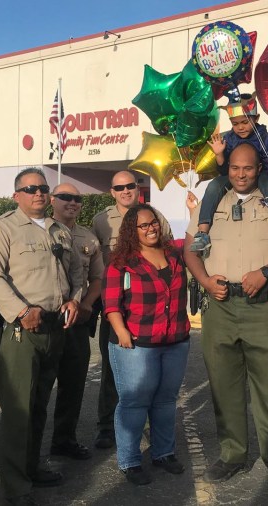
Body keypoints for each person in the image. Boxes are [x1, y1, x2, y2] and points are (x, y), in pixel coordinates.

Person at [184, 143, 268, 501]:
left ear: (259, 169)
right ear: (229, 170)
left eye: (248, 169)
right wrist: (207, 282)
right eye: (236, 169)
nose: (241, 174)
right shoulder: (214, 203)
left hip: (265, 304)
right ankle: (233, 455)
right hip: (221, 307)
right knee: (223, 386)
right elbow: (190, 249)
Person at [0, 168, 83, 506]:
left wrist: (74, 299)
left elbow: (75, 271)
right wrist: (22, 311)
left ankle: (32, 466)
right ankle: (15, 485)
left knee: (39, 404)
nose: (38, 193)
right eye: (30, 188)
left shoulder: (58, 230)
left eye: (42, 188)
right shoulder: (0, 229)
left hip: (54, 327)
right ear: (17, 195)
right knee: (19, 410)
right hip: (21, 330)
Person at [103, 204, 191, 485]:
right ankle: (130, 460)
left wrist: (193, 209)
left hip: (175, 340)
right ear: (133, 230)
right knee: (134, 401)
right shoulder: (122, 262)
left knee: (166, 401)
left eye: (153, 223)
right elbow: (111, 304)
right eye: (144, 225)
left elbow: (197, 238)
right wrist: (121, 332)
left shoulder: (174, 254)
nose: (151, 228)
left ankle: (163, 453)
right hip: (137, 343)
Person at [90, 170, 171, 449]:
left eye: (130, 186)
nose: (126, 191)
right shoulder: (100, 221)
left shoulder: (155, 218)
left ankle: (143, 425)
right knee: (114, 370)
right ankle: (106, 425)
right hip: (115, 307)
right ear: (112, 192)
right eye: (119, 187)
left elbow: (167, 253)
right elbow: (94, 263)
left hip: (149, 308)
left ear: (138, 189)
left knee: (150, 372)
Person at [190, 93, 268, 256]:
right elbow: (224, 171)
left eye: (245, 122)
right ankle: (202, 232)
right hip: (233, 178)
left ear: (256, 118)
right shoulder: (229, 138)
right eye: (235, 124)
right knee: (213, 186)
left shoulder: (263, 137)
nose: (240, 127)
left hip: (262, 174)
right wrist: (219, 154)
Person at [49, 184, 104, 460]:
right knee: (38, 386)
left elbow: (97, 278)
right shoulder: (40, 230)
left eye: (77, 199)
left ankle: (64, 438)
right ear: (52, 200)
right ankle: (28, 444)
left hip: (77, 322)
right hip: (46, 321)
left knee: (73, 384)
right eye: (65, 197)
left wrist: (87, 304)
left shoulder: (88, 238)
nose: (72, 202)